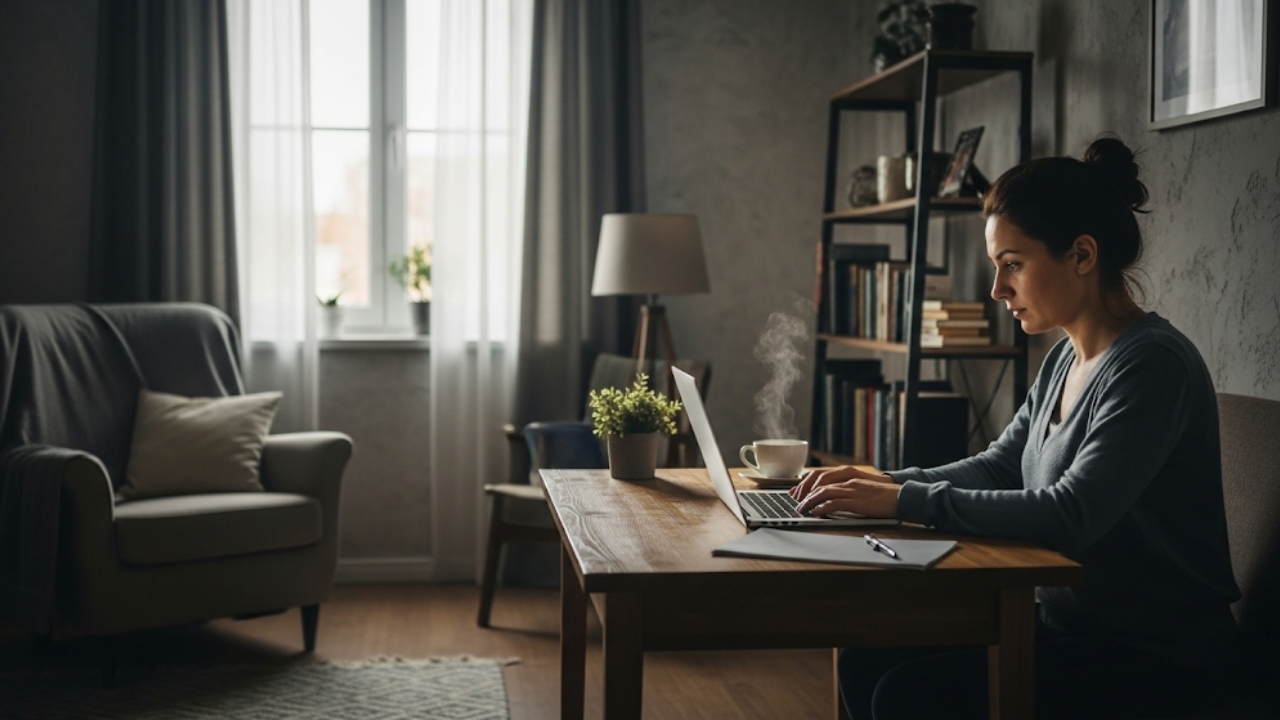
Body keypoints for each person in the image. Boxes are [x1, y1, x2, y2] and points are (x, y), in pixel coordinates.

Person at [791, 136, 1240, 720]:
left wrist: (905, 499)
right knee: (863, 658)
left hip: (1159, 657)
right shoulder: (1064, 357)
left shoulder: (1154, 366)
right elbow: (1002, 463)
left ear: (1082, 255)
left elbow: (1068, 514)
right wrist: (872, 486)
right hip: (1067, 627)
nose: (999, 289)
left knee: (908, 695)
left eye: (1013, 266)